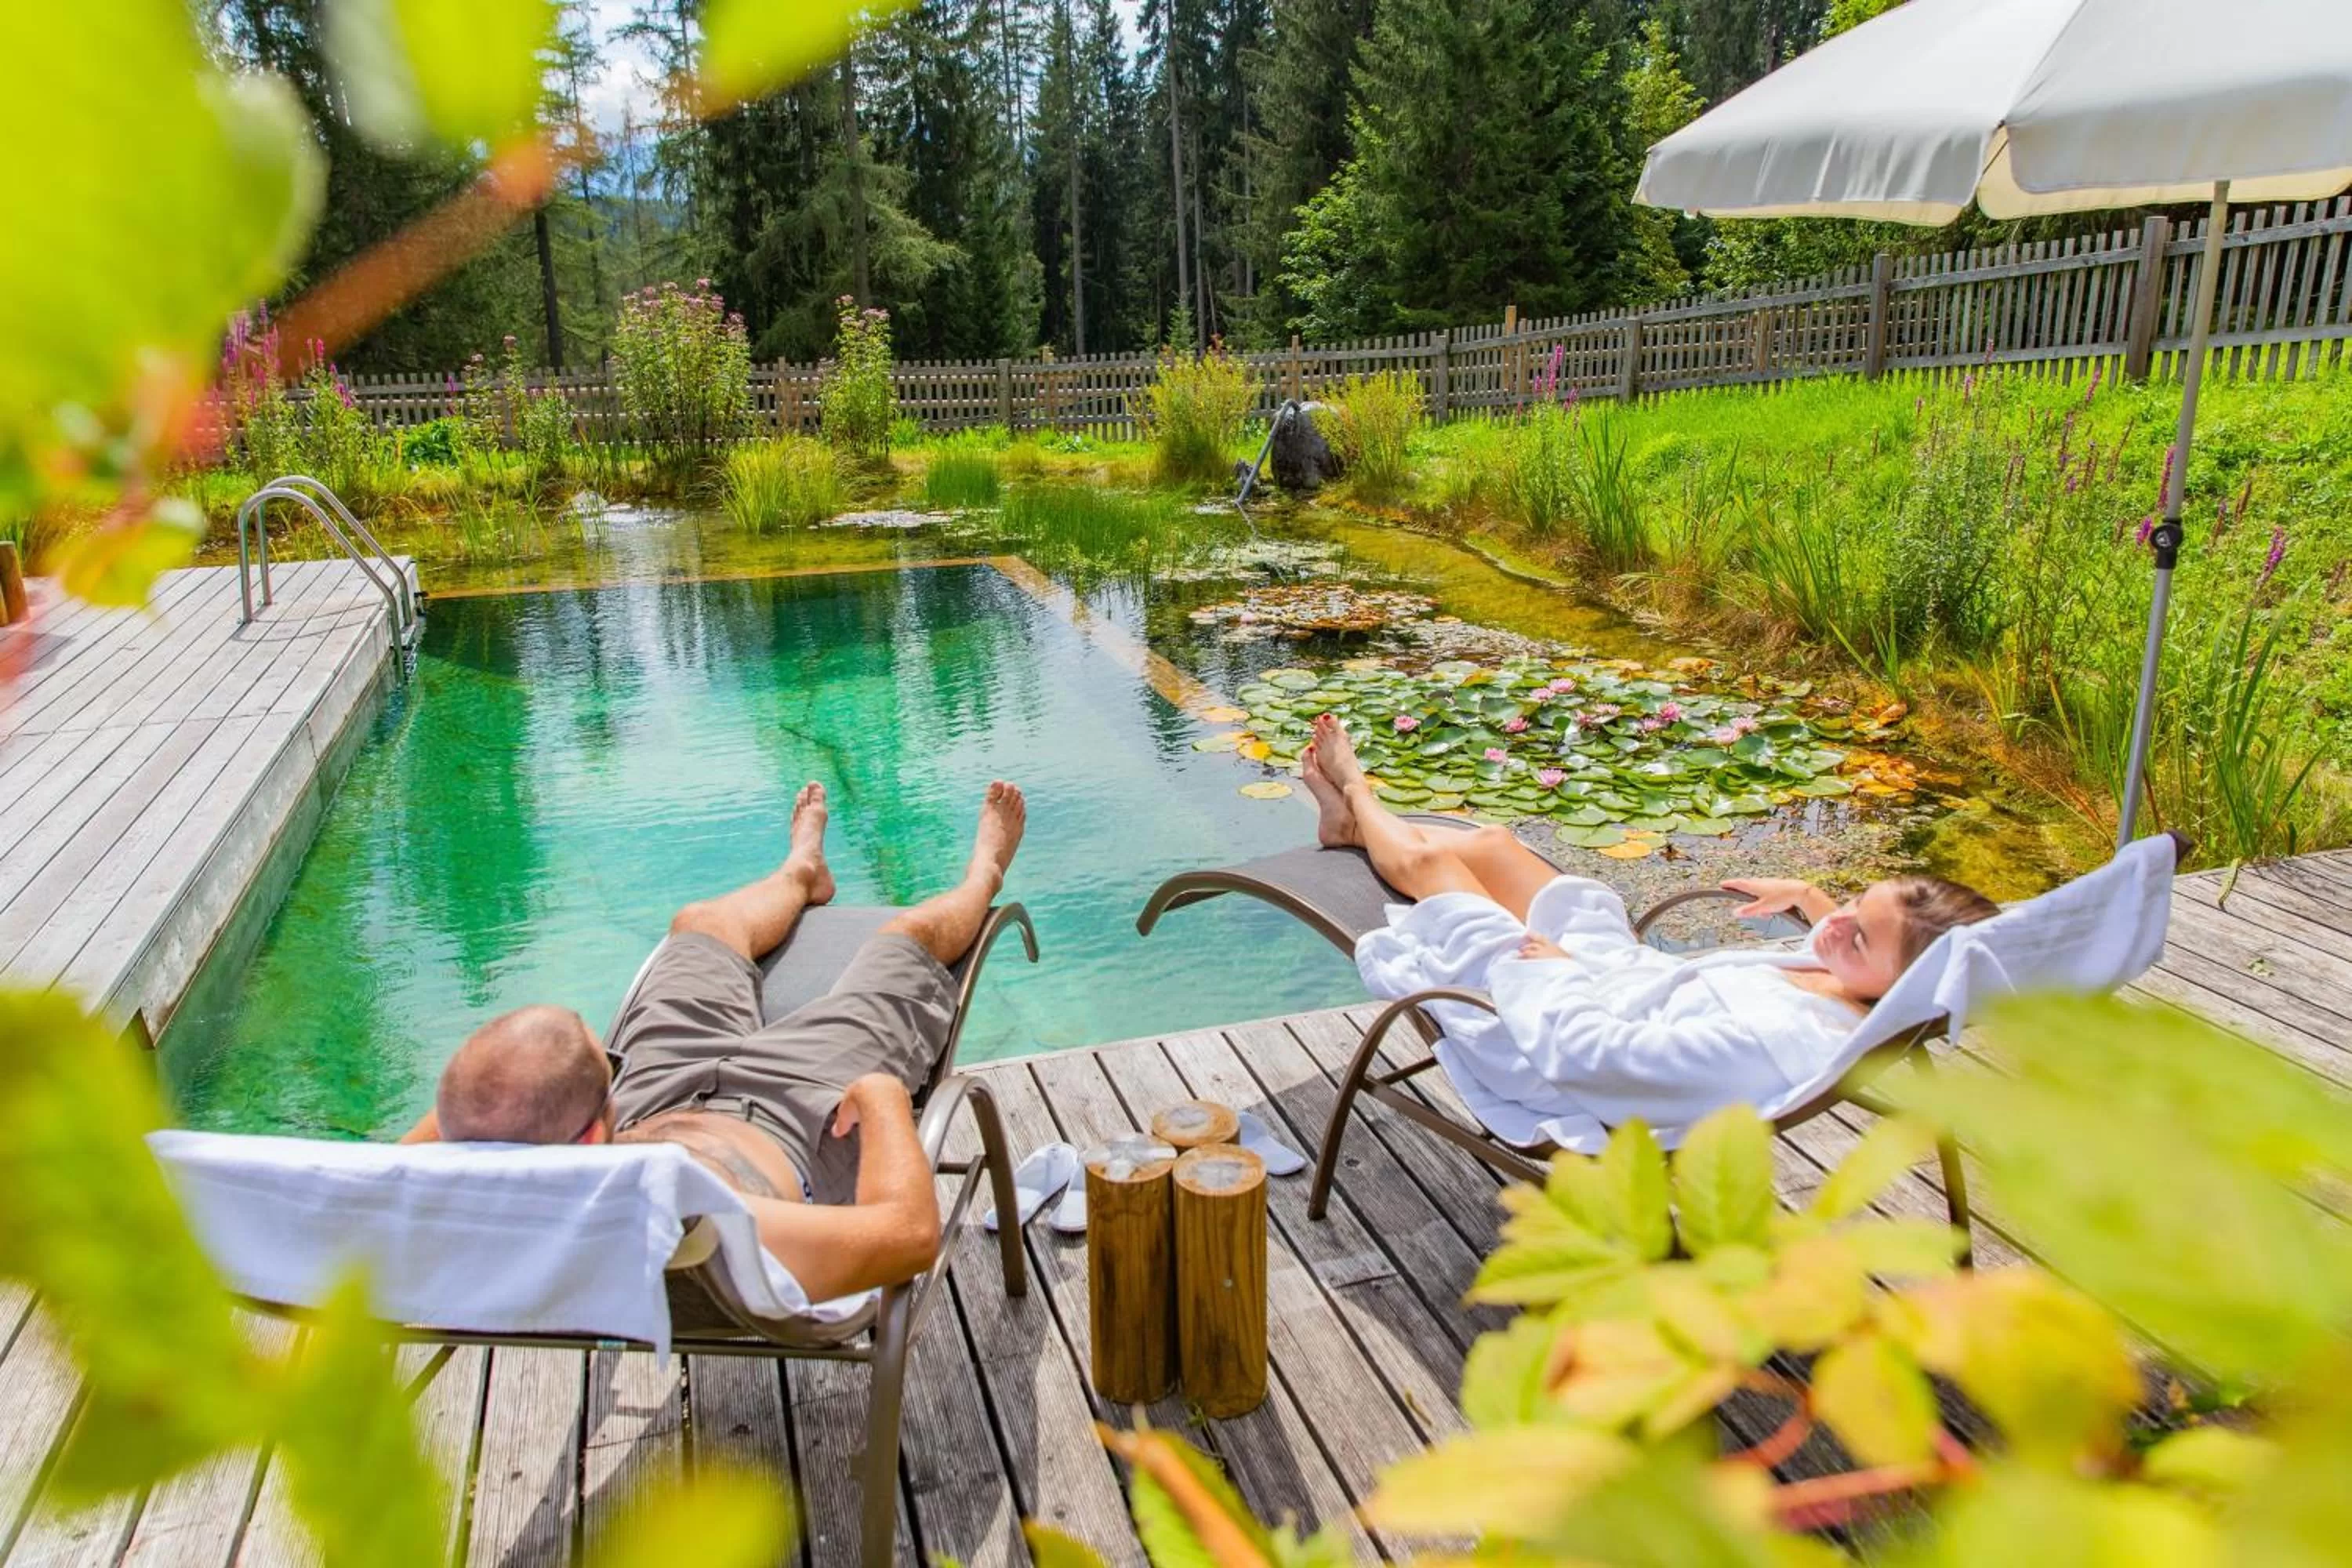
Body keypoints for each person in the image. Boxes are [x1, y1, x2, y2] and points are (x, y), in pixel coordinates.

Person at [400, 779, 1028, 1304]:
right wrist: (883, 1095)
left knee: (701, 924)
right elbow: (908, 1237)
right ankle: (983, 876)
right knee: (906, 940)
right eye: (607, 1070)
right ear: (590, 1138)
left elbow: (464, 1116)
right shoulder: (701, 1215)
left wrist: (490, 1138)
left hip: (660, 1089)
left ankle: (801, 872)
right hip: (796, 1111)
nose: (614, 1059)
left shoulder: (418, 1194)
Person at [1296, 713, 1995, 1149]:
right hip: (1616, 981)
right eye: (1855, 904)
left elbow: (1598, 1060)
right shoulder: (1863, 989)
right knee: (1496, 846)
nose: (1836, 925)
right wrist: (1814, 898)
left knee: (1436, 866)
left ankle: (1357, 790)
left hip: (1542, 1032)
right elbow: (1858, 938)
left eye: (1859, 936)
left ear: (1906, 987)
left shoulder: (1771, 1041)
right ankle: (1352, 829)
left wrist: (1556, 973)